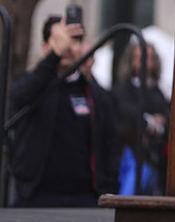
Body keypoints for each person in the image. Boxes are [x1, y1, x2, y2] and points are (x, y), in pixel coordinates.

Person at [8, 13, 119, 207]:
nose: (67, 46)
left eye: (74, 40)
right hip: (35, 197)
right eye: (59, 39)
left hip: (85, 199)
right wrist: (54, 56)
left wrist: (106, 187)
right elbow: (20, 96)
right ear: (44, 46)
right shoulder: (31, 84)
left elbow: (111, 144)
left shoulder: (97, 95)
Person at [112, 42, 169, 196]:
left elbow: (167, 120)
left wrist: (158, 125)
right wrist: (151, 123)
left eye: (148, 57)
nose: (143, 61)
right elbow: (128, 115)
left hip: (155, 161)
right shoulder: (123, 89)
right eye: (138, 57)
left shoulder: (158, 93)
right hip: (131, 159)